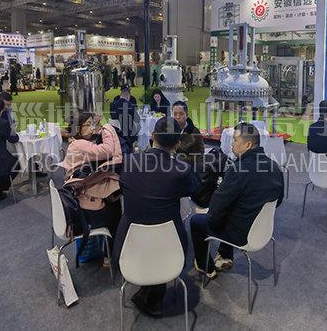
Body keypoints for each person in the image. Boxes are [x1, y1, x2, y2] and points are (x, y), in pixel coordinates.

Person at [112, 117, 199, 317]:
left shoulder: (129, 162)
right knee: (162, 229)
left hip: (129, 244)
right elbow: (194, 188)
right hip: (169, 247)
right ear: (177, 145)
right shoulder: (181, 171)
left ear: (152, 136)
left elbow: (124, 187)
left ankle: (149, 294)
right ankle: (153, 296)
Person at [190, 123, 284, 278]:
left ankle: (205, 266)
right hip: (264, 231)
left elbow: (216, 208)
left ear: (248, 145)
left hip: (241, 234)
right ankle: (225, 255)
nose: (232, 144)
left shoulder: (237, 170)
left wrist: (214, 222)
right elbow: (278, 201)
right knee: (231, 210)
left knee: (197, 221)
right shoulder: (275, 167)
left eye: (235, 140)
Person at [63, 110, 123, 262]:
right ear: (78, 129)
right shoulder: (80, 144)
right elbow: (107, 151)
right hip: (87, 212)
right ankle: (112, 256)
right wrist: (107, 129)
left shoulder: (73, 143)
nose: (93, 129)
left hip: (78, 202)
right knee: (118, 213)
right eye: (88, 125)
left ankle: (108, 254)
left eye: (93, 124)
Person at [171, 101, 205, 169]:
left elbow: (199, 157)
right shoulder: (168, 129)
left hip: (186, 168)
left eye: (181, 114)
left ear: (186, 115)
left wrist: (177, 158)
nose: (178, 117)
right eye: (175, 114)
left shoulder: (195, 134)